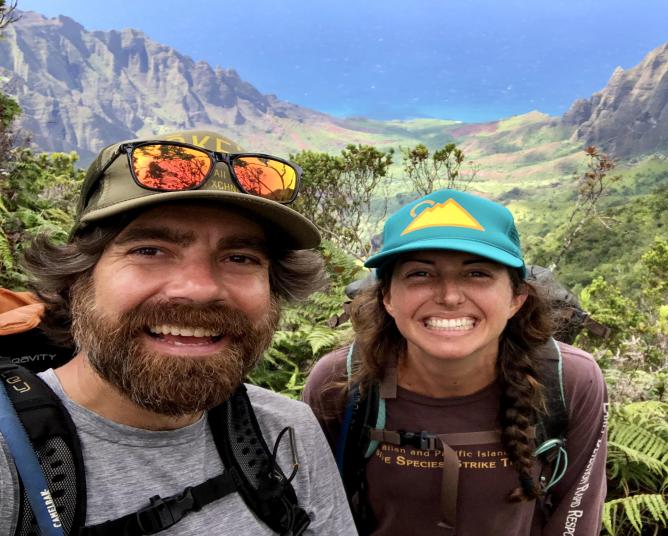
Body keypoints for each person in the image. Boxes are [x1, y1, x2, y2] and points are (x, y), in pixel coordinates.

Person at [0, 130, 357, 535]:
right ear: (78, 277)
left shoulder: (286, 431)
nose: (200, 288)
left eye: (239, 257)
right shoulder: (9, 453)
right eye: (149, 250)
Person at [303, 189, 608, 535]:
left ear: (516, 298)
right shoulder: (340, 383)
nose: (449, 296)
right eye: (420, 274)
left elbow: (574, 521)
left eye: (477, 274)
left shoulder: (569, 380)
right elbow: (318, 519)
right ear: (387, 297)